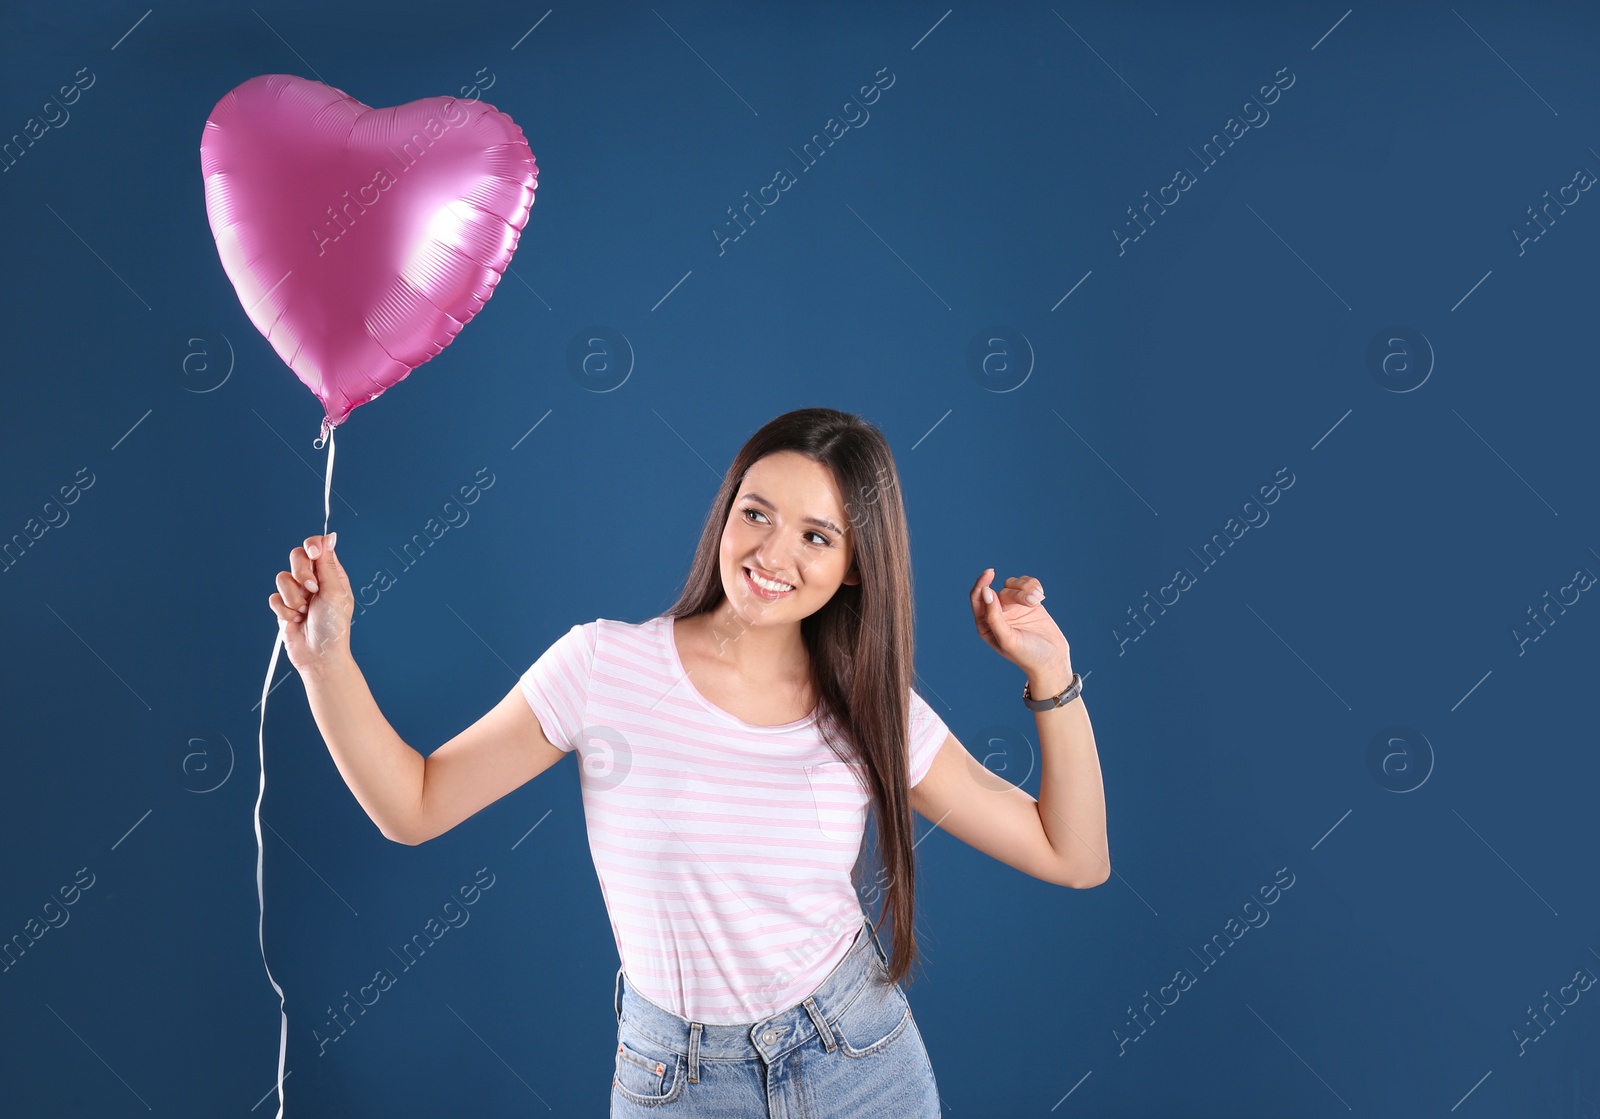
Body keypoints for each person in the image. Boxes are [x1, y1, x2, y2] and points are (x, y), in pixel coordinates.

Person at [267, 406, 1110, 1116]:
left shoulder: (872, 708)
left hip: (858, 1060)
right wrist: (325, 660)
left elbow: (1074, 855)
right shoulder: (602, 667)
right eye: (757, 512)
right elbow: (412, 804)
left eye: (817, 536)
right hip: (676, 1082)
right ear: (726, 509)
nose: (773, 553)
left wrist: (1053, 674)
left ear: (856, 570)